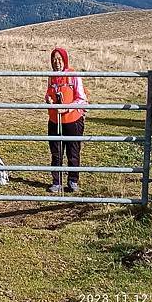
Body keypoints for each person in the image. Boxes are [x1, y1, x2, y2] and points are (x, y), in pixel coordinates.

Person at [44, 47, 88, 193]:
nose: (57, 63)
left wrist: (67, 108)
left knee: (73, 152)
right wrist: (48, 99)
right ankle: (57, 182)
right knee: (56, 152)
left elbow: (81, 99)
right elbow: (48, 93)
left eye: (59, 59)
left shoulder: (73, 75)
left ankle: (73, 180)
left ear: (65, 60)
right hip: (55, 121)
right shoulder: (51, 77)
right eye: (54, 59)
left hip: (73, 120)